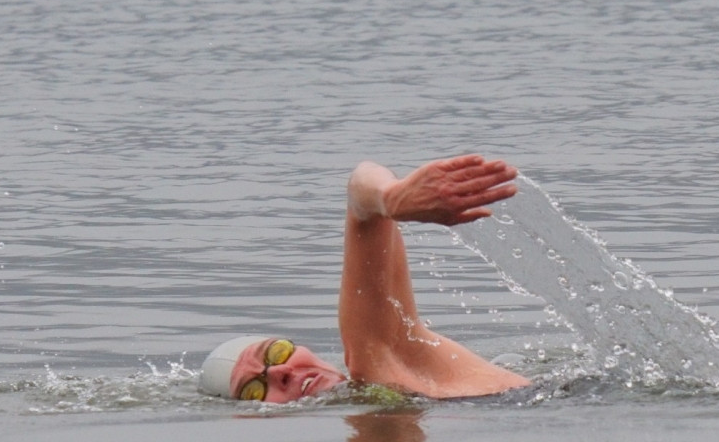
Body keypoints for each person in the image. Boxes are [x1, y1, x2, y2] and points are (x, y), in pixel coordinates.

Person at [198, 155, 531, 403]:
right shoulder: (378, 402)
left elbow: (359, 192)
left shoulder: (380, 357)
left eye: (276, 354)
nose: (280, 373)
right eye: (255, 390)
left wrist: (390, 197)